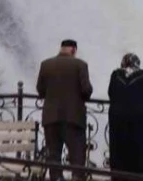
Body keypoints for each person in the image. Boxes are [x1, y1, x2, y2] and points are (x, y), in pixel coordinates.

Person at [36, 39, 93, 180]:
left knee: (53, 155)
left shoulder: (46, 64)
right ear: (73, 50)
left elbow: (40, 90)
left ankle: (56, 178)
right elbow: (86, 90)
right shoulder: (80, 65)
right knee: (77, 156)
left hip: (51, 118)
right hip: (73, 118)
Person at [108, 53, 143, 179]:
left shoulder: (116, 75)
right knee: (140, 152)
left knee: (119, 152)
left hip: (118, 120)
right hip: (139, 120)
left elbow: (110, 93)